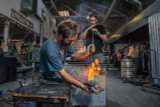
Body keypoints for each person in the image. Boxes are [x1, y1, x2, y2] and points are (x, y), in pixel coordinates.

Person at [40, 19, 95, 93]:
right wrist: (82, 86)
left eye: (73, 40)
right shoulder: (51, 49)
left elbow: (74, 55)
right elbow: (64, 75)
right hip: (49, 77)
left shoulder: (65, 41)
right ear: (60, 36)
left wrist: (86, 53)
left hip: (58, 72)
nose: (72, 43)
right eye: (70, 40)